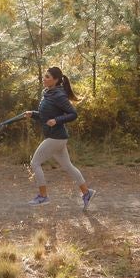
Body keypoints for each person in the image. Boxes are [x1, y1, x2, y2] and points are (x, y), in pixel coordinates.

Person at [26, 66, 93, 209]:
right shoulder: (48, 93)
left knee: (35, 163)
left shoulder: (59, 95)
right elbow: (45, 116)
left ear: (55, 80)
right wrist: (33, 114)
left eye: (47, 77)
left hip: (55, 138)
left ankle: (43, 197)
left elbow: (73, 114)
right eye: (44, 76)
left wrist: (57, 120)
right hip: (57, 137)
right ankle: (86, 193)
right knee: (68, 166)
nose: (44, 78)